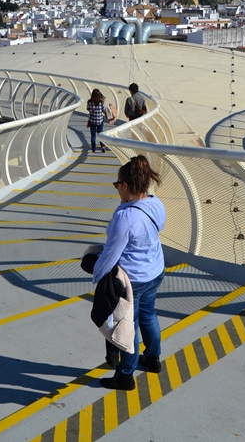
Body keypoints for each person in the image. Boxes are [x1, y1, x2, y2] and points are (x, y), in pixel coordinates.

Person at [93, 155, 166, 391]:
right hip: (155, 271)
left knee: (128, 325)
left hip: (133, 280)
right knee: (149, 315)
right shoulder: (156, 203)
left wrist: (97, 277)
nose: (117, 190)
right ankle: (153, 359)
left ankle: (125, 375)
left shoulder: (125, 217)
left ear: (125, 185)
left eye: (117, 185)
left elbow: (110, 254)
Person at [86, 88, 108, 153]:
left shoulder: (89, 102)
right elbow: (104, 110)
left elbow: (88, 109)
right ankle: (102, 146)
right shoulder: (101, 102)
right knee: (100, 134)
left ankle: (93, 149)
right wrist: (107, 115)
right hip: (100, 121)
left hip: (92, 121)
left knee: (93, 135)